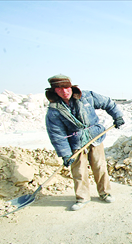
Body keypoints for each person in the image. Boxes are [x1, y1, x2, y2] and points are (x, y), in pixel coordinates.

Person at [45, 74, 125, 211]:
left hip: (95, 137)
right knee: (79, 171)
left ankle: (105, 193)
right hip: (75, 143)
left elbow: (108, 103)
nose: (64, 91)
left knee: (100, 166)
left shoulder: (87, 96)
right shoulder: (54, 110)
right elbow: (57, 135)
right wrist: (65, 154)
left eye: (66, 87)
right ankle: (82, 198)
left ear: (71, 87)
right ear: (54, 91)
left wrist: (117, 116)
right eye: (59, 89)